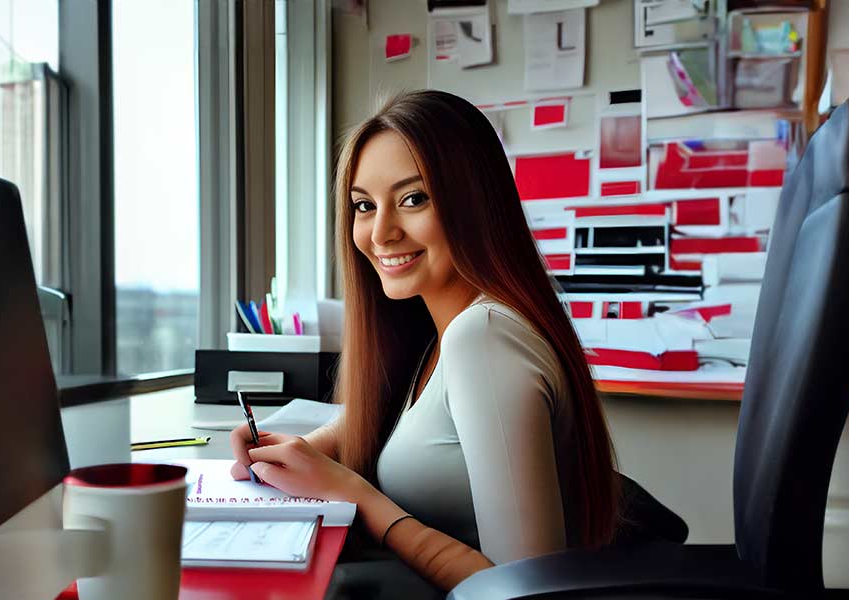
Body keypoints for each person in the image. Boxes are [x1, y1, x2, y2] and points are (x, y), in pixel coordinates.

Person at [230, 90, 620, 592]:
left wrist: (361, 499)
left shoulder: (483, 337)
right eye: (364, 206)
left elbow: (522, 588)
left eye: (413, 199)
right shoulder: (439, 328)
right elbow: (397, 424)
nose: (381, 232)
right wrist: (299, 449)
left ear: (474, 202)